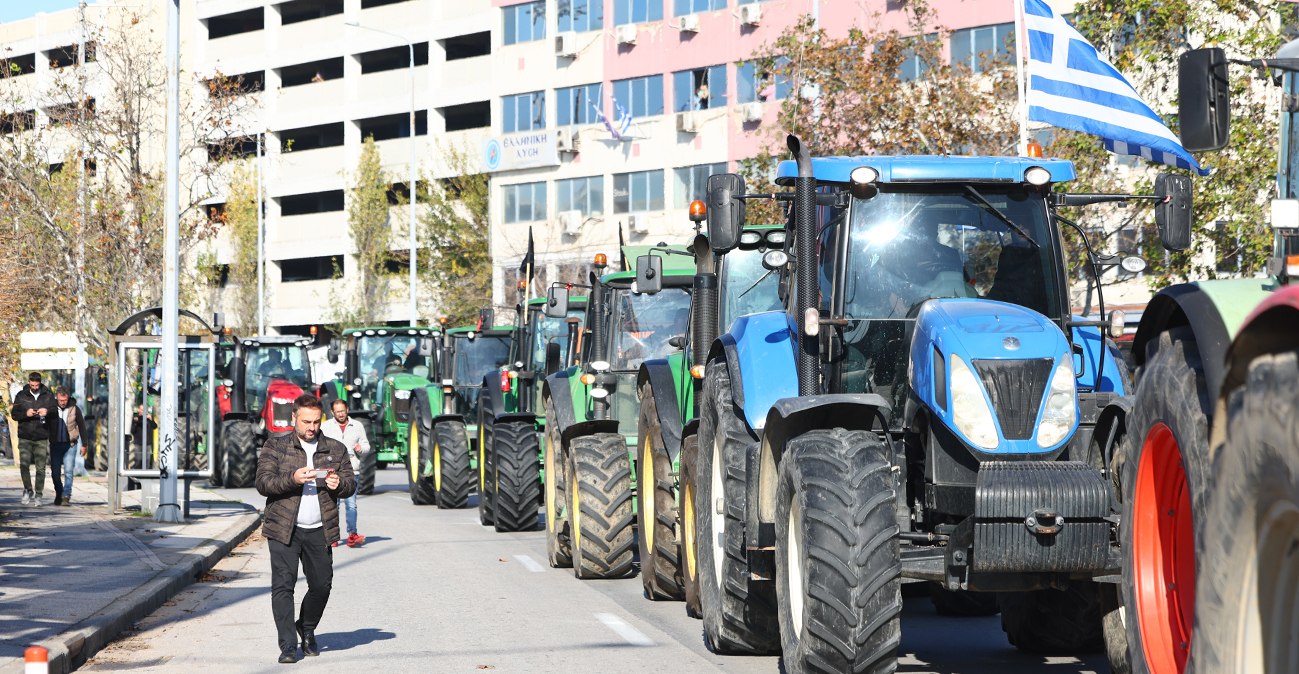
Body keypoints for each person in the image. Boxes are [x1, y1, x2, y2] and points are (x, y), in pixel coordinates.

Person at [255, 394, 356, 664]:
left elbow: (350, 483)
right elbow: (263, 483)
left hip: (319, 529)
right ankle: (288, 644)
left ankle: (306, 627)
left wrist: (339, 485)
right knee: (283, 587)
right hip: (283, 529)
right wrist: (293, 478)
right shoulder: (275, 445)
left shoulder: (334, 448)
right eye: (306, 421)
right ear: (294, 418)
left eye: (316, 421)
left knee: (321, 586)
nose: (311, 427)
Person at [319, 398, 370, 548]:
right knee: (333, 505)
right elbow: (319, 446)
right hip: (332, 472)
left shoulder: (357, 426)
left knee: (351, 504)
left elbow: (366, 446)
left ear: (347, 410)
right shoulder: (325, 427)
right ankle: (332, 536)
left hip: (352, 471)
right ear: (332, 412)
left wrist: (361, 448)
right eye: (337, 412)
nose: (341, 414)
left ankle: (352, 534)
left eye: (343, 410)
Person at [11, 373, 55, 507]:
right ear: (29, 383)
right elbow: (14, 414)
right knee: (24, 465)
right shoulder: (21, 395)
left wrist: (47, 412)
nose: (34, 388)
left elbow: (55, 412)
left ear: (40, 383)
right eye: (32, 385)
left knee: (40, 468)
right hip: (25, 435)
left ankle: (39, 495)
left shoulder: (48, 395)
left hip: (41, 436)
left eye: (36, 385)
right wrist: (26, 414)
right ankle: (28, 489)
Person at [49, 387, 86, 507]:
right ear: (57, 398)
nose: (63, 402)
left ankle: (66, 495)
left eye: (64, 400)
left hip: (70, 445)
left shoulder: (75, 409)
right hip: (56, 445)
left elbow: (82, 426)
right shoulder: (52, 409)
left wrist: (84, 444)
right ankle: (59, 492)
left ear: (68, 398)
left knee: (69, 471)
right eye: (60, 400)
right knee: (55, 473)